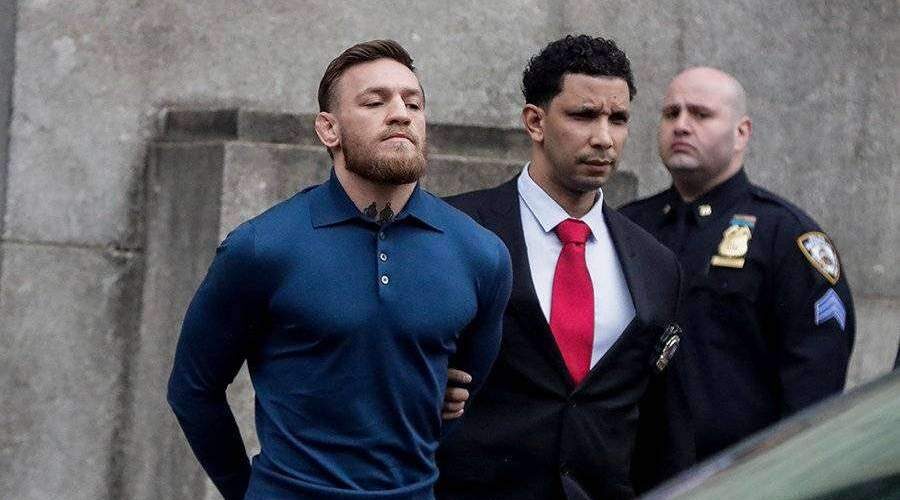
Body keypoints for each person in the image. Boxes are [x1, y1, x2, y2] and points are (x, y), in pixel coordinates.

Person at [167, 39, 512, 500]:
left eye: (413, 103)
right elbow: (193, 390)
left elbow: (463, 392)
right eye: (374, 102)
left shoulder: (481, 254)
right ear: (328, 129)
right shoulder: (261, 247)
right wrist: (249, 491)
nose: (400, 114)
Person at [436, 35, 694, 500]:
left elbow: (662, 427)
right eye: (583, 115)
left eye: (618, 119)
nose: (604, 138)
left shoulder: (656, 264)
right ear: (535, 121)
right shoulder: (455, 230)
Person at [620, 67, 855, 460]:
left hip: (741, 472)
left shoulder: (785, 236)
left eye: (701, 114)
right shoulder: (629, 227)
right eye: (671, 113)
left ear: (742, 132)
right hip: (635, 472)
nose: (681, 125)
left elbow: (814, 382)